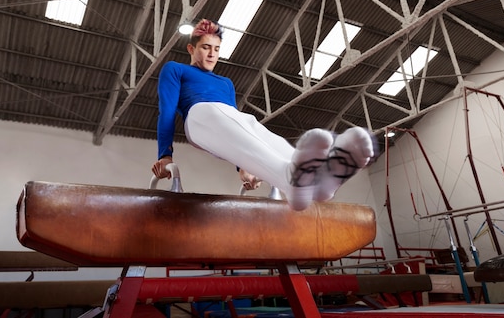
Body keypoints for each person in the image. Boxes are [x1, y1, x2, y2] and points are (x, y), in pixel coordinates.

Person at [151, 19, 374, 210]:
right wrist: (165, 155)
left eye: (217, 49)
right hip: (198, 119)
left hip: (223, 123)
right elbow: (167, 111)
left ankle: (318, 176)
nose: (212, 54)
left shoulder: (225, 83)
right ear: (191, 49)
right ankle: (292, 180)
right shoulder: (176, 69)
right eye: (206, 47)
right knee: (217, 112)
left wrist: (244, 168)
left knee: (252, 124)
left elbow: (237, 132)